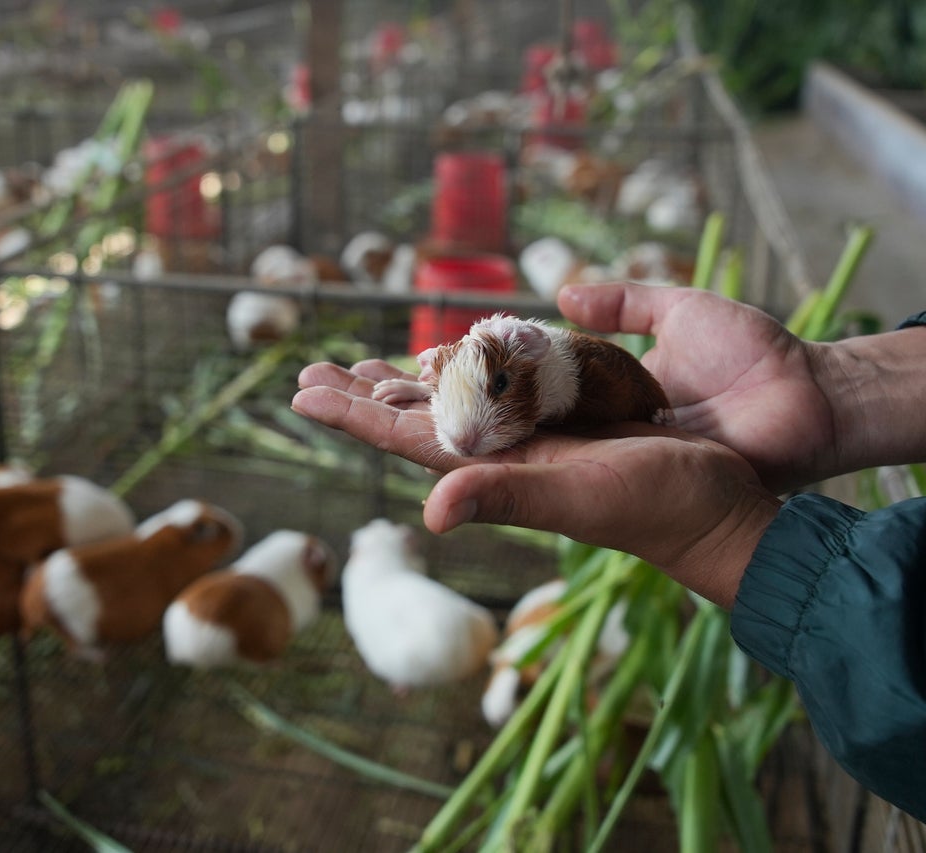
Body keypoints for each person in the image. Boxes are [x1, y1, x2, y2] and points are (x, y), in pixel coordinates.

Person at [291, 281, 926, 820]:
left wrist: (727, 532)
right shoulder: (489, 364)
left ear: (531, 359)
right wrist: (831, 385)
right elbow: (459, 376)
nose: (469, 434)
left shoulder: (560, 370)